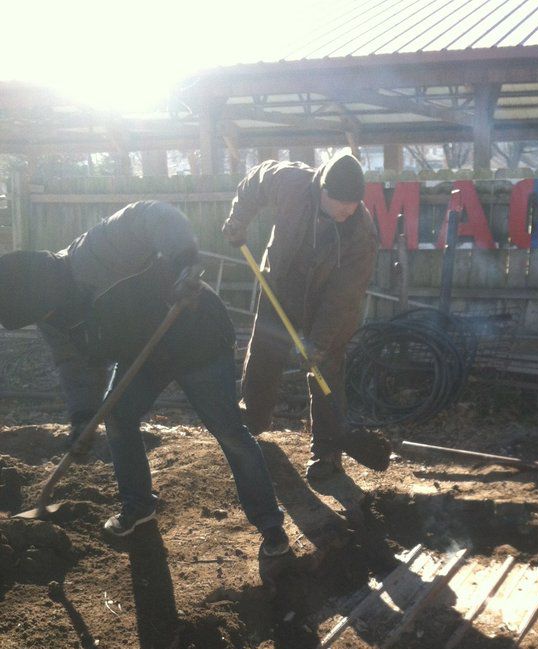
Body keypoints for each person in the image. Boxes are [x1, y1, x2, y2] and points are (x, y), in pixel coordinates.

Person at [0, 200, 290, 555]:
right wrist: (81, 416)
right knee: (118, 416)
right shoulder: (51, 316)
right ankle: (139, 506)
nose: (44, 318)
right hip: (143, 356)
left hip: (194, 333)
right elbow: (73, 365)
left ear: (46, 289)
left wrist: (184, 262)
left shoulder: (97, 249)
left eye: (41, 311)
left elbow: (155, 213)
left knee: (228, 430)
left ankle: (269, 522)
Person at [221, 150, 378, 482]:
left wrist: (317, 343)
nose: (348, 212)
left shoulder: (361, 230)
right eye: (341, 204)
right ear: (323, 189)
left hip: (326, 301)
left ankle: (328, 453)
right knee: (264, 353)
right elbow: (254, 182)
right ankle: (253, 425)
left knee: (327, 369)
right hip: (280, 283)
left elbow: (345, 297)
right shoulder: (292, 182)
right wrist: (239, 218)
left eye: (354, 205)